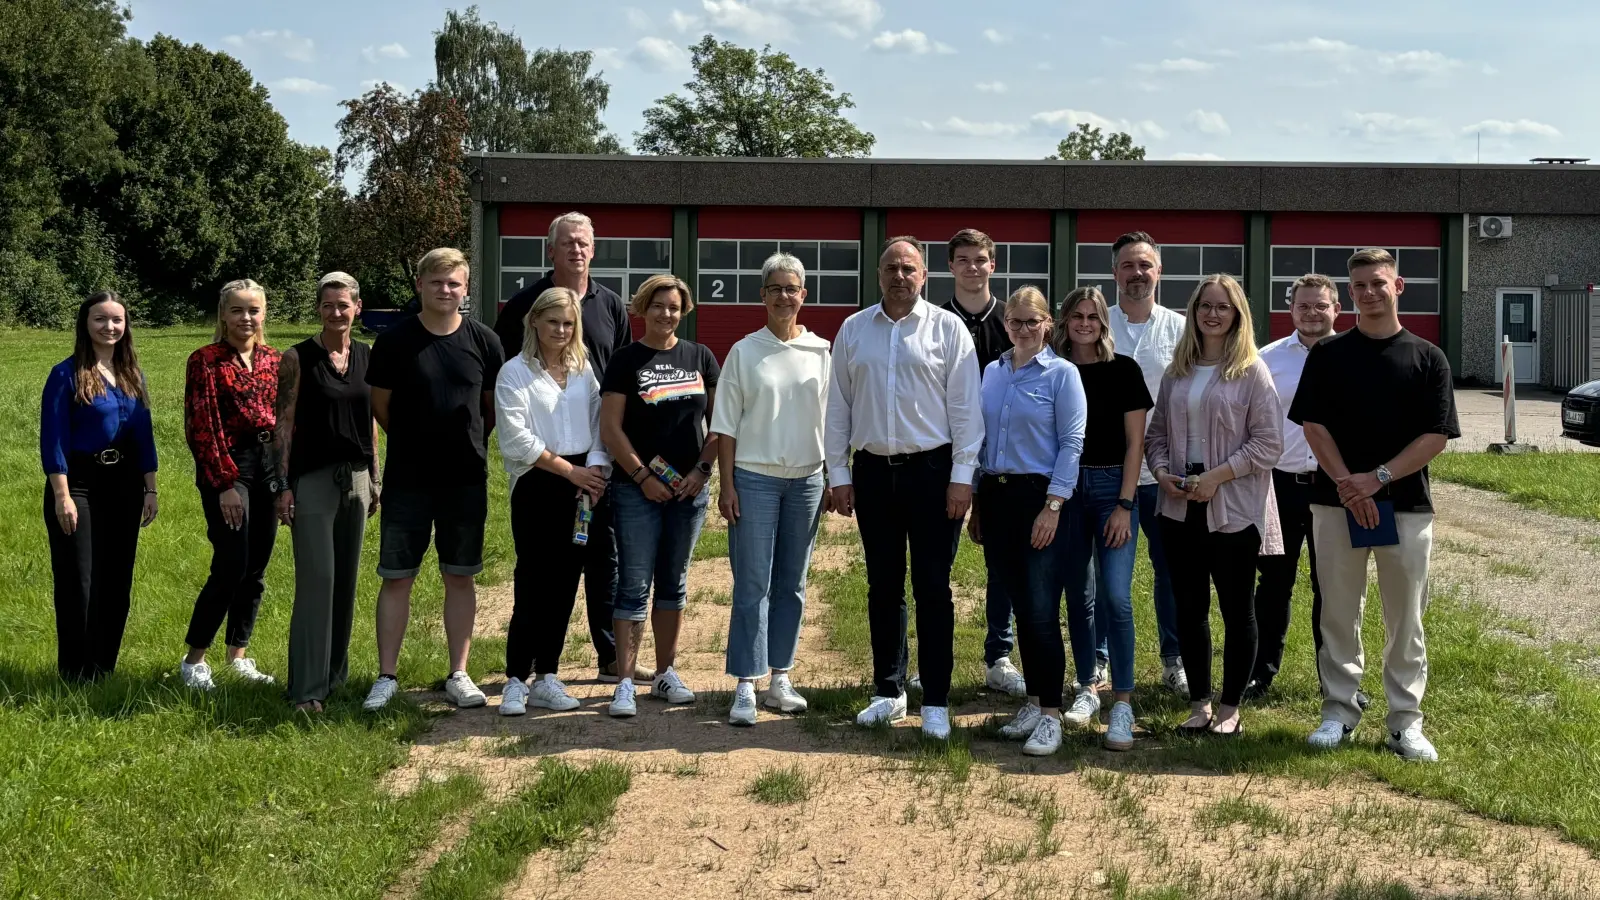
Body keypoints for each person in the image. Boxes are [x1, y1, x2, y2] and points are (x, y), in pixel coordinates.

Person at [1291, 249, 1459, 762]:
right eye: (1359, 285)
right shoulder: (1328, 354)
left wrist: (1377, 478)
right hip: (1335, 504)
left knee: (1405, 617)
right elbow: (1314, 426)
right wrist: (1348, 484)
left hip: (1405, 506)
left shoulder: (1428, 357)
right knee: (1338, 614)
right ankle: (1338, 712)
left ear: (1398, 286)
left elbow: (1437, 435)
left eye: (1377, 283)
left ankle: (1405, 722)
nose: (1368, 293)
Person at [825, 237, 983, 740]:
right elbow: (838, 410)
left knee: (934, 588)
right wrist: (839, 475)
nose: (899, 276)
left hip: (934, 475)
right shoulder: (854, 330)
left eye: (908, 268)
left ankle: (934, 699)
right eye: (891, 267)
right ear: (878, 274)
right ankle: (889, 691)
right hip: (873, 473)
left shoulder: (948, 329)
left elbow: (966, 412)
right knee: (884, 587)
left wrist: (962, 478)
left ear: (924, 276)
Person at [495, 212, 644, 685]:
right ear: (551, 250)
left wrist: (599, 467)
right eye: (567, 244)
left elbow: (616, 383)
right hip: (545, 471)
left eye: (584, 243)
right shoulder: (522, 307)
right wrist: (568, 470)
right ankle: (530, 670)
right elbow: (509, 400)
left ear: (593, 250)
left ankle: (607, 656)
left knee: (603, 563)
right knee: (543, 575)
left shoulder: (611, 306)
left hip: (596, 466)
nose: (576, 250)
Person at [362, 248, 506, 712]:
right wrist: (410, 438)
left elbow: (491, 408)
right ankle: (387, 676)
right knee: (397, 578)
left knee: (459, 576)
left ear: (466, 290)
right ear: (420, 285)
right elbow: (379, 404)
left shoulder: (485, 341)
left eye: (455, 283)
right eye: (437, 282)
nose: (446, 290)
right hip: (408, 479)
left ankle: (459, 673)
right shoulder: (395, 342)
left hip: (465, 478)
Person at [1146, 275, 1283, 737]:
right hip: (1179, 505)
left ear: (1237, 314)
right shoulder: (1177, 370)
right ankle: (1200, 703)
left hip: (1234, 507)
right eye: (1205, 305)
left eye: (1223, 307)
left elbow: (1268, 445)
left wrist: (1215, 478)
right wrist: (1164, 473)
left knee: (1236, 608)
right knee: (1189, 607)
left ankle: (1230, 709)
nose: (1212, 314)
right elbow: (1156, 435)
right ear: (1193, 312)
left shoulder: (1251, 371)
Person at [712, 252, 833, 727]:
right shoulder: (744, 351)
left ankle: (780, 677)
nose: (784, 296)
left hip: (805, 480)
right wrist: (727, 485)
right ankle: (746, 682)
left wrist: (830, 475)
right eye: (775, 288)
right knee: (752, 584)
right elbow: (725, 426)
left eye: (792, 288)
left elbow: (833, 422)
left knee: (793, 585)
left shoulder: (822, 352)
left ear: (804, 295)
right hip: (754, 478)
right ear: (762, 296)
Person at [968, 287, 1085, 756]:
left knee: (1040, 609)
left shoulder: (1062, 374)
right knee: (1018, 601)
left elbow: (1072, 444)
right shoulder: (992, 373)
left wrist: (1053, 506)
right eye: (1014, 321)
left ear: (1047, 325)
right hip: (996, 498)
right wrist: (977, 502)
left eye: (1031, 322)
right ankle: (1035, 703)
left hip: (1040, 499)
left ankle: (1052, 715)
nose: (1021, 329)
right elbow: (980, 440)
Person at [599, 274, 720, 717]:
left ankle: (666, 672)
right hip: (637, 491)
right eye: (658, 306)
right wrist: (640, 476)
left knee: (674, 583)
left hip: (688, 491)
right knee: (633, 584)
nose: (666, 314)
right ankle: (627, 681)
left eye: (673, 307)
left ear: (683, 311)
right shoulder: (625, 359)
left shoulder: (700, 357)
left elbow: (719, 423)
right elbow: (610, 428)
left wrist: (701, 472)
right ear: (642, 309)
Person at [495, 287, 611, 716]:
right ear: (535, 323)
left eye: (568, 323)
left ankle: (547, 675)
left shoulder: (584, 371)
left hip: (584, 487)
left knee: (566, 581)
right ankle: (514, 679)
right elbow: (515, 438)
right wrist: (569, 471)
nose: (561, 330)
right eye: (553, 322)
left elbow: (601, 422)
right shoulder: (514, 373)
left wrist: (594, 470)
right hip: (538, 482)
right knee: (533, 581)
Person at [1051, 286, 1152, 751]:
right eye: (1077, 316)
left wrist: (1125, 505)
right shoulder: (1054, 370)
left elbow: (1137, 445)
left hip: (1114, 489)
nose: (1086, 323)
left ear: (1103, 323)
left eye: (1093, 316)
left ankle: (1124, 704)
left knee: (1117, 597)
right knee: (1079, 593)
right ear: (1065, 321)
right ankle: (1087, 685)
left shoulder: (1124, 370)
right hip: (1068, 491)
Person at [275, 273, 380, 713]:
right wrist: (281, 486)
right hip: (312, 480)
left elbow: (370, 419)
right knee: (317, 581)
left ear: (357, 307)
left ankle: (335, 676)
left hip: (356, 477)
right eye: (328, 305)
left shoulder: (367, 356)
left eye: (344, 305)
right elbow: (282, 423)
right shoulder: (297, 358)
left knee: (345, 583)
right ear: (318, 309)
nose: (336, 312)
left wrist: (376, 478)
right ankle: (307, 689)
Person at [41, 291, 159, 681]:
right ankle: (75, 672)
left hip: (124, 485)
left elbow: (143, 433)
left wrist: (150, 488)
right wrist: (62, 496)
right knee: (80, 580)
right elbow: (53, 438)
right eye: (100, 320)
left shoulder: (131, 373)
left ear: (126, 326)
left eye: (117, 320)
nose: (109, 327)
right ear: (85, 324)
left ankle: (103, 668)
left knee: (117, 580)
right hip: (78, 485)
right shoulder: (65, 374)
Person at [181, 279, 283, 690]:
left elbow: (285, 421)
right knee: (231, 563)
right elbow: (201, 425)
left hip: (268, 465)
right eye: (238, 310)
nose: (246, 318)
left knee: (256, 567)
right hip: (229, 465)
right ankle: (194, 660)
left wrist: (282, 475)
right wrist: (224, 483)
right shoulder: (205, 360)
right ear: (223, 314)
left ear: (263, 314)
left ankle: (238, 655)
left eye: (254, 310)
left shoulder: (275, 360)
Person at [939, 228, 1025, 699]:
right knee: (939, 562)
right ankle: (937, 658)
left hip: (1001, 464)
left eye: (981, 260)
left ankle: (999, 656)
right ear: (950, 267)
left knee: (1003, 565)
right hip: (944, 461)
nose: (973, 267)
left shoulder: (1010, 324)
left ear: (994, 265)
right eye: (963, 260)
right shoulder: (935, 321)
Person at [1249, 274, 1344, 702]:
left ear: (1336, 310)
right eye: (1303, 306)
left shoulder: (1353, 357)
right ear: (1291, 311)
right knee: (1273, 585)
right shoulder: (1266, 360)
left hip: (1335, 488)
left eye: (1320, 306)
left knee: (1334, 587)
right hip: (1280, 486)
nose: (1311, 313)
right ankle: (1260, 673)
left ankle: (1336, 681)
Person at [1106, 232, 1189, 695]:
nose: (1137, 274)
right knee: (1103, 573)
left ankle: (1173, 659)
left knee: (1171, 570)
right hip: (1106, 472)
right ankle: (1098, 661)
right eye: (1128, 266)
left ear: (1159, 271)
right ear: (1115, 273)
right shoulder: (1095, 325)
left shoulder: (1180, 330)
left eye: (1145, 265)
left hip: (1164, 472)